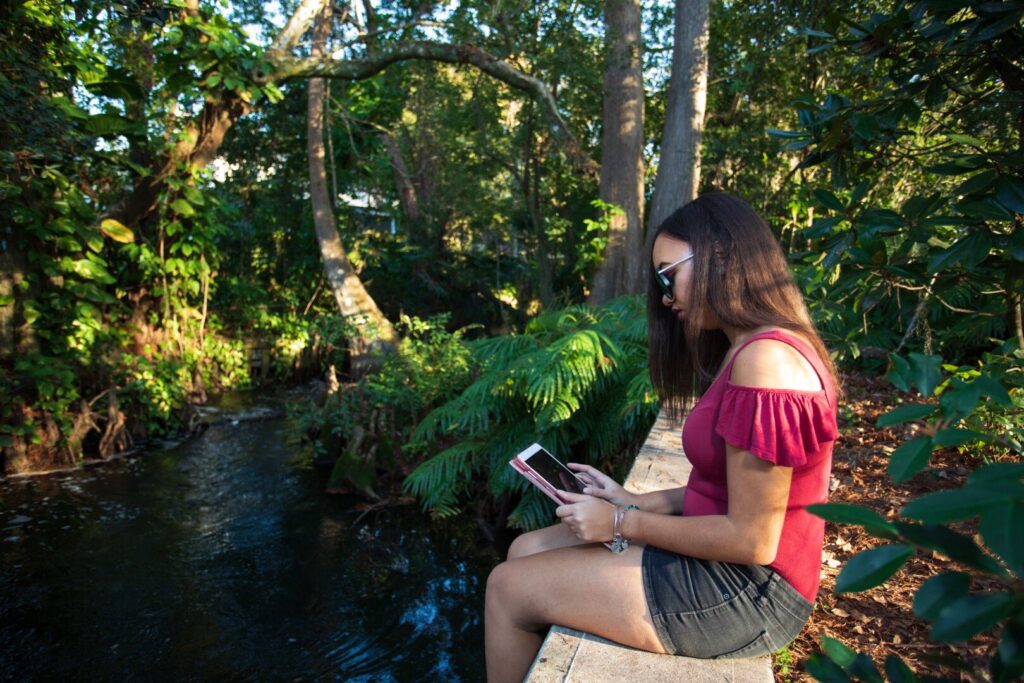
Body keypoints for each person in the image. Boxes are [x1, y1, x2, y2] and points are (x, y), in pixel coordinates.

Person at [484, 193, 840, 683]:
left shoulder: (768, 363)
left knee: (507, 588)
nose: (666, 297)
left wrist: (621, 523)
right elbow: (724, 488)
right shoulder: (749, 349)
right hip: (725, 565)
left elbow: (753, 540)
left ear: (721, 256)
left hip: (750, 591)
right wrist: (633, 501)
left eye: (668, 276)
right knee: (526, 549)